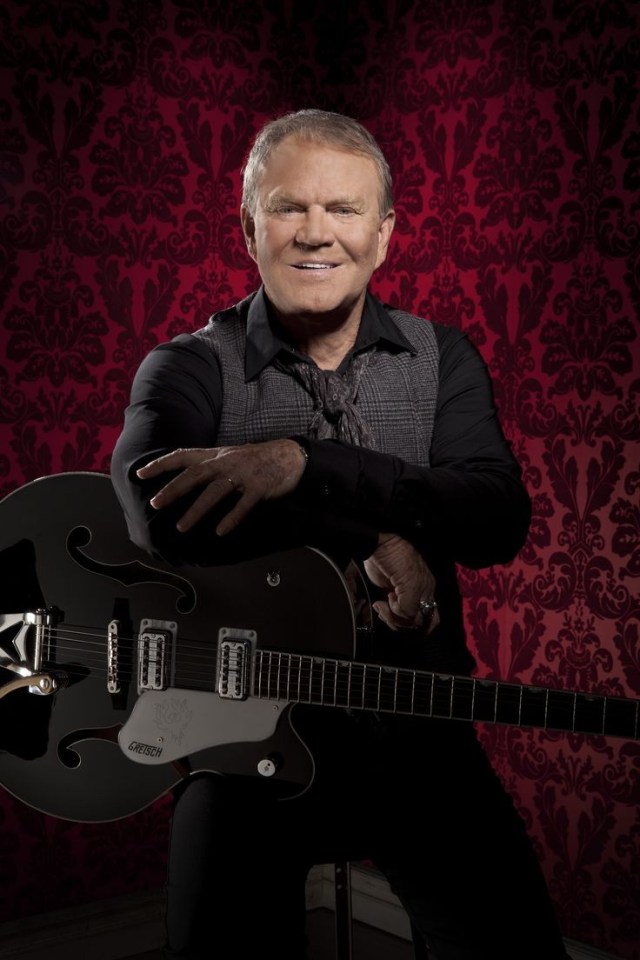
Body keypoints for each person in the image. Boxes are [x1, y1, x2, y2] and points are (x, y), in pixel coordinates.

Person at [111, 109, 571, 960]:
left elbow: (495, 517)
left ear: (384, 234)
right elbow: (159, 515)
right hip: (242, 751)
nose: (316, 233)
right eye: (289, 207)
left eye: (344, 209)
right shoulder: (187, 367)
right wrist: (370, 536)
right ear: (249, 226)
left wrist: (302, 463)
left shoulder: (444, 360)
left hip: (422, 739)